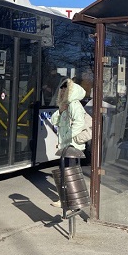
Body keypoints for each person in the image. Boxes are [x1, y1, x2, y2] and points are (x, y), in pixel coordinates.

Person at [49, 77, 87, 207]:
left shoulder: (75, 105)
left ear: (71, 90)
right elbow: (54, 121)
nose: (62, 91)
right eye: (62, 88)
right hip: (66, 146)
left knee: (70, 175)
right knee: (66, 173)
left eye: (65, 88)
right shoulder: (66, 105)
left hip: (72, 146)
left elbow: (79, 123)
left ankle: (71, 201)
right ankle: (68, 200)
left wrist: (67, 138)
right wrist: (60, 110)